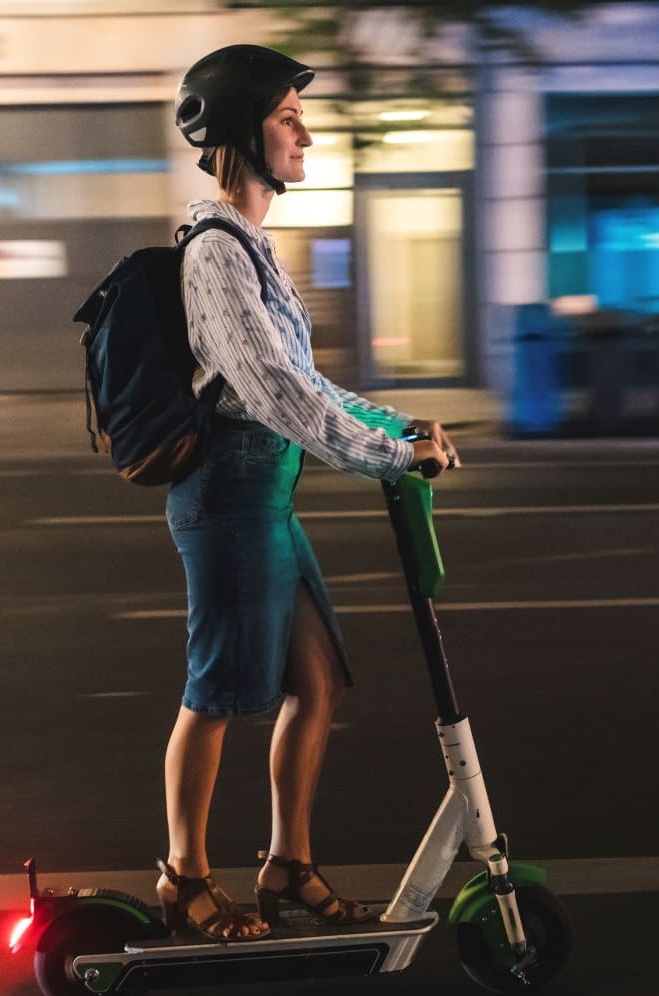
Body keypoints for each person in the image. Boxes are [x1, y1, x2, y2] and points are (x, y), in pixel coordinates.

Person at [153, 44, 458, 941]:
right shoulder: (214, 253)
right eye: (289, 118)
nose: (307, 134)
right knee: (214, 694)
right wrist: (386, 461)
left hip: (268, 500)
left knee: (317, 683)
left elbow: (308, 382)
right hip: (228, 498)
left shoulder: (254, 248)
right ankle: (185, 875)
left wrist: (398, 428)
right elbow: (274, 394)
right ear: (244, 129)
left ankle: (288, 863)